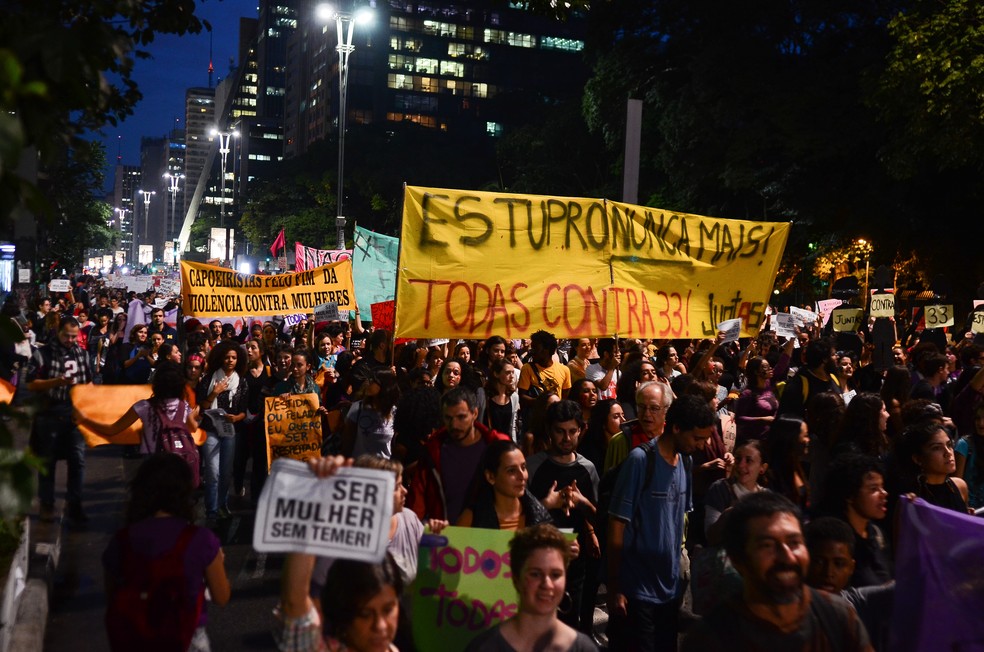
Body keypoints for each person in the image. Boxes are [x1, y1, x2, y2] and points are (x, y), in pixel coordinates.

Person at [681, 492, 874, 651]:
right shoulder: (710, 638)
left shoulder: (837, 616)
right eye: (767, 545)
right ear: (738, 559)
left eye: (794, 542)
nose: (787, 557)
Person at [607, 394, 715, 652]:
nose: (701, 445)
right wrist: (614, 586)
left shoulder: (686, 462)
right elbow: (616, 524)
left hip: (669, 592)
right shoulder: (640, 461)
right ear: (676, 427)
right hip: (637, 590)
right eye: (696, 438)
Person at [103, 454, 230, 652]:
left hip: (135, 638)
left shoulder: (122, 539)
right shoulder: (202, 540)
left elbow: (111, 595)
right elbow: (222, 597)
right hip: (186, 637)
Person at [526, 400, 600, 632]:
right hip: (536, 562)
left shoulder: (588, 470)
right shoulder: (532, 467)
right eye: (560, 431)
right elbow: (520, 517)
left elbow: (600, 519)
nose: (566, 438)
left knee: (568, 626)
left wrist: (582, 503)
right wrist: (546, 504)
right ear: (549, 430)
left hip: (575, 565)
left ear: (581, 431)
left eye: (572, 432)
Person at [464, 523, 598, 652]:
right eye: (535, 574)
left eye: (555, 575)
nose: (547, 584)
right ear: (516, 578)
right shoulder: (484, 647)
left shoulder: (584, 648)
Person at [406, 387, 510, 522]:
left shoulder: (497, 445)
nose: (454, 425)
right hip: (447, 536)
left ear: (475, 413)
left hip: (490, 536)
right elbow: (417, 497)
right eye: (448, 418)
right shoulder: (434, 449)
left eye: (461, 417)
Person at [27, 315, 93, 523]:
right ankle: (47, 504)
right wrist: (55, 382)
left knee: (77, 461)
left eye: (75, 336)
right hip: (49, 414)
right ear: (58, 332)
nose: (71, 340)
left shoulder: (82, 355)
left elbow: (89, 383)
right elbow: (31, 384)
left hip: (74, 415)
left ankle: (75, 504)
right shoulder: (43, 354)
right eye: (67, 336)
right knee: (48, 461)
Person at [804, 517, 894, 652]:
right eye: (819, 562)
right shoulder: (782, 609)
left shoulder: (857, 603)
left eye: (839, 564)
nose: (829, 572)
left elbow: (911, 586)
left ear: (851, 567)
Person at [74, 361, 199, 454]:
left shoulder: (144, 406)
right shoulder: (184, 406)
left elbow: (112, 430)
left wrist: (85, 419)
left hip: (152, 462)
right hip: (178, 462)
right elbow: (193, 428)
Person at [816, 454, 892, 588]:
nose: (884, 493)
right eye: (873, 489)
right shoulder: (834, 541)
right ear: (850, 495)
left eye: (882, 487)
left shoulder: (876, 533)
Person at [197, 340, 249, 520]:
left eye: (234, 358)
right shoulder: (209, 379)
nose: (230, 361)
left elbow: (244, 411)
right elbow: (202, 405)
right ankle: (211, 509)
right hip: (210, 429)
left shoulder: (241, 382)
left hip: (229, 431)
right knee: (213, 472)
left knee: (226, 472)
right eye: (227, 357)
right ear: (220, 359)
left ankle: (222, 504)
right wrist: (215, 392)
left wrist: (236, 418)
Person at [896, 421, 970, 513]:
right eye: (937, 448)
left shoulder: (960, 486)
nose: (948, 452)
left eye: (949, 445)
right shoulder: (912, 497)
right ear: (918, 459)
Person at [603, 380, 671, 472]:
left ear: (666, 410)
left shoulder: (674, 439)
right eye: (641, 407)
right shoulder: (619, 442)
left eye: (654, 408)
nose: (646, 414)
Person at [343, 369, 399, 459]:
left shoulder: (394, 412)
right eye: (370, 379)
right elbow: (347, 442)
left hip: (383, 468)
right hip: (359, 467)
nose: (369, 383)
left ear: (384, 386)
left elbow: (395, 444)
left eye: (374, 381)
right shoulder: (358, 408)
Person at [765, 416, 811, 512]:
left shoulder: (798, 468)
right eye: (805, 435)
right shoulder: (771, 477)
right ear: (791, 439)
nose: (808, 440)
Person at [518, 330, 572, 409]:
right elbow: (522, 396)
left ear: (546, 350)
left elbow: (564, 398)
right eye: (532, 348)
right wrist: (540, 402)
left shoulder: (565, 370)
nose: (532, 351)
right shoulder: (527, 368)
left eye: (535, 348)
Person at [734, 356, 779, 443]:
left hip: (769, 439)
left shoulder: (768, 387)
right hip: (753, 442)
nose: (770, 368)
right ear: (756, 372)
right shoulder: (747, 394)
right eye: (765, 367)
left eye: (769, 366)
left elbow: (783, 363)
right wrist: (763, 419)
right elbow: (739, 418)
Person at [954, 402, 984, 509]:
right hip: (970, 509)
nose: (981, 423)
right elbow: (957, 483)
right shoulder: (965, 444)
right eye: (977, 418)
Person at [484, 358, 520, 442]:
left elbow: (512, 426)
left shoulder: (514, 397)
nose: (512, 376)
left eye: (513, 372)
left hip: (505, 444)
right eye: (507, 373)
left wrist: (513, 444)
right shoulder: (484, 394)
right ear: (496, 374)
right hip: (488, 444)